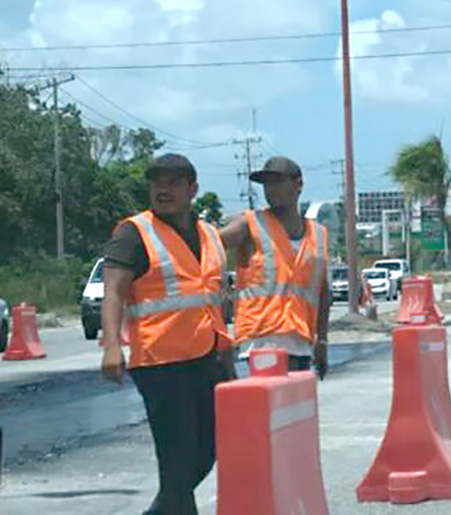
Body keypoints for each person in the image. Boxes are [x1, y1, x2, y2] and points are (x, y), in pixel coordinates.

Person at [101, 153, 232, 514]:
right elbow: (112, 291)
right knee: (176, 458)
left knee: (208, 449)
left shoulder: (208, 233)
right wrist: (112, 346)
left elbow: (213, 298)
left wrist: (227, 357)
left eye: (173, 182)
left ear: (193, 189)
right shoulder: (134, 232)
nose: (163, 188)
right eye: (157, 181)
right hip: (160, 362)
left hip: (206, 356)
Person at [219, 156, 330, 375]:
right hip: (264, 341)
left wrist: (322, 340)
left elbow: (323, 292)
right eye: (267, 184)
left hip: (300, 341)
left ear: (298, 184)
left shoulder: (318, 234)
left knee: (298, 408)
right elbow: (213, 241)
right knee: (271, 407)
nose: (270, 189)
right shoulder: (249, 223)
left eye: (277, 182)